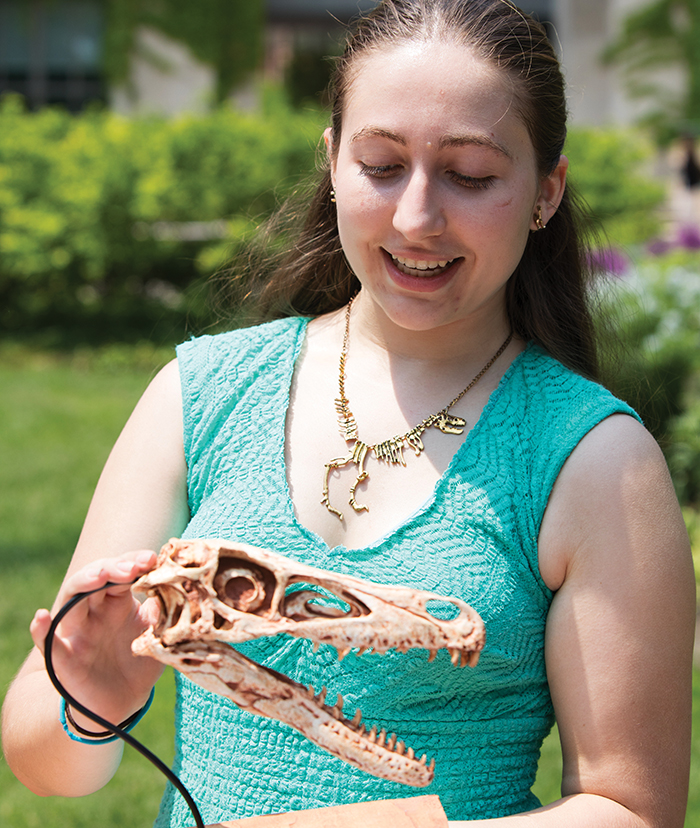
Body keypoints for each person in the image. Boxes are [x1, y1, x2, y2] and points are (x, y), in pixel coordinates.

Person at [2, 1, 695, 826]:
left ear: (546, 193)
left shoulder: (593, 461)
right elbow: (49, 768)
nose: (416, 218)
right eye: (381, 165)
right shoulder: (204, 394)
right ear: (332, 163)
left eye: (472, 175)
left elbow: (630, 806)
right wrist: (89, 695)